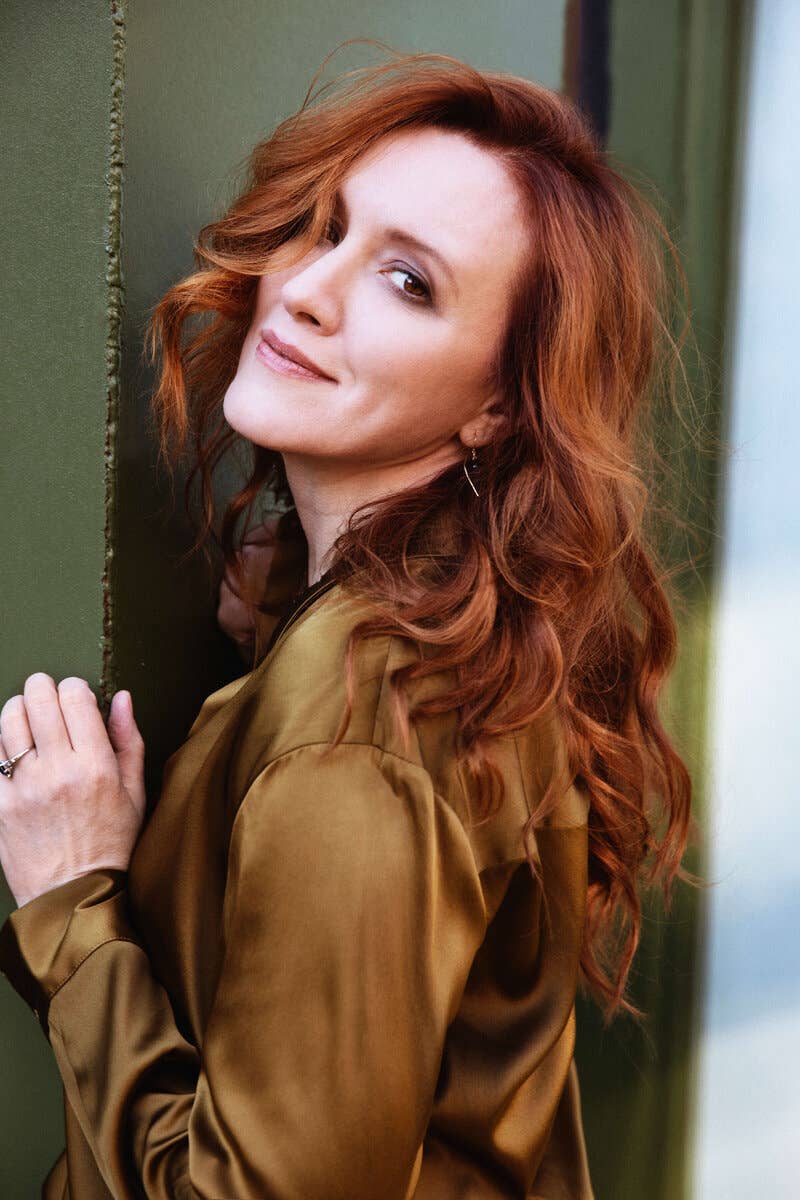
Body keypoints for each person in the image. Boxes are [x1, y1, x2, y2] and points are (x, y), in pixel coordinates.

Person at [0, 48, 693, 1199]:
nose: (307, 288)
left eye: (407, 282)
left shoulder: (363, 717)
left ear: (494, 407)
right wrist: (285, 628)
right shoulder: (456, 640)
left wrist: (73, 906)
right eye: (325, 229)